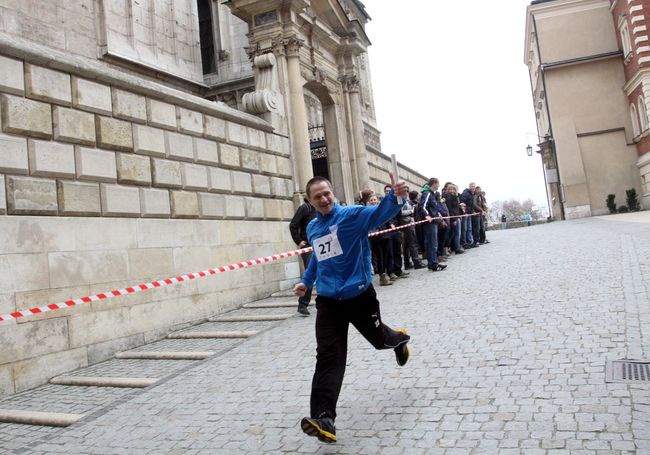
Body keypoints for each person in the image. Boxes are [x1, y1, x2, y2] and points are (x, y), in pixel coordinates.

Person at [293, 173, 411, 444]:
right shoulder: (312, 227)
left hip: (359, 297)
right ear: (310, 202)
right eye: (317, 196)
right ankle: (324, 419)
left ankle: (400, 339)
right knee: (328, 357)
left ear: (333, 193)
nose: (323, 199)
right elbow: (317, 260)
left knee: (381, 341)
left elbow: (380, 213)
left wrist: (395, 196)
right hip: (329, 302)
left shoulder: (352, 216)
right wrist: (306, 282)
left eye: (326, 193)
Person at [289, 198, 317, 316]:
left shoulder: (321, 208)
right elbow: (293, 225)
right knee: (310, 273)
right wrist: (299, 241)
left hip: (321, 244)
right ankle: (303, 304)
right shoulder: (305, 208)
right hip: (309, 246)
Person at [417, 177, 447, 271]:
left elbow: (433, 207)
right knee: (432, 243)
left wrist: (438, 215)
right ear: (434, 183)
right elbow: (423, 206)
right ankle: (433, 263)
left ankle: (432, 263)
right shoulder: (427, 193)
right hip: (430, 222)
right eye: (438, 183)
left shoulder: (431, 194)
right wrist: (426, 215)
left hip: (434, 221)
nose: (439, 185)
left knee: (432, 243)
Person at [367, 195, 393, 286]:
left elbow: (387, 220)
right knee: (380, 257)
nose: (373, 201)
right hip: (375, 237)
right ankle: (382, 277)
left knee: (386, 256)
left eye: (375, 199)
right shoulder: (368, 212)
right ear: (369, 202)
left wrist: (391, 225)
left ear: (378, 201)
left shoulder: (382, 209)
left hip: (385, 235)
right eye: (371, 200)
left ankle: (385, 274)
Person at [400, 187, 425, 270]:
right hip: (406, 223)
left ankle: (407, 263)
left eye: (407, 191)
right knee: (412, 243)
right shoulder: (401, 201)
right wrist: (411, 211)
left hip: (408, 223)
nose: (406, 193)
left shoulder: (405, 200)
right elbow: (400, 213)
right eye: (404, 191)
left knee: (407, 244)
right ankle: (416, 262)